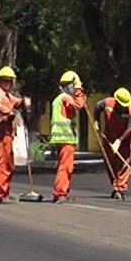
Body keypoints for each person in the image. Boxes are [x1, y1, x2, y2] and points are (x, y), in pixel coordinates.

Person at [0, 66, 30, 203]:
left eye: (10, 81)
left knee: (9, 164)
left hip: (8, 134)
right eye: (5, 81)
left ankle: (6, 191)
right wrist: (7, 111)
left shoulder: (6, 95)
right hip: (1, 133)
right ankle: (1, 195)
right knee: (3, 163)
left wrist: (23, 102)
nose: (8, 83)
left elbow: (15, 102)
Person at [94, 87, 131, 200]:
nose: (124, 107)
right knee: (110, 163)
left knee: (124, 165)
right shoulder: (107, 103)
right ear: (116, 101)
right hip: (109, 138)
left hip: (125, 140)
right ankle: (116, 185)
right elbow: (97, 108)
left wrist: (119, 141)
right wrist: (97, 121)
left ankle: (120, 189)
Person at [50, 70, 87, 204]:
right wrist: (79, 90)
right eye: (73, 86)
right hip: (65, 138)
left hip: (62, 138)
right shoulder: (65, 98)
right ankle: (60, 193)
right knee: (65, 166)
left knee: (64, 165)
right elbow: (79, 105)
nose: (74, 88)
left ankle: (61, 192)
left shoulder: (59, 98)